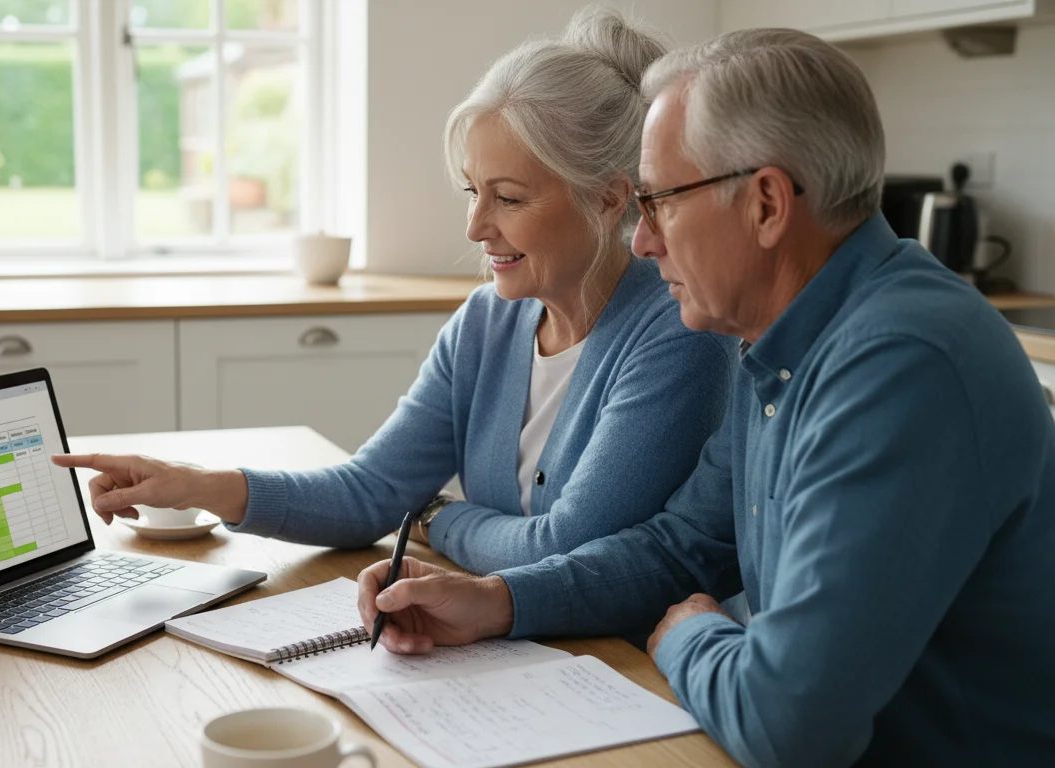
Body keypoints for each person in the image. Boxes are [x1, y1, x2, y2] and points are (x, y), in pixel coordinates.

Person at [356, 27, 1055, 766]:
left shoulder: (899, 366)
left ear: (765, 204)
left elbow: (789, 727)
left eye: (658, 202)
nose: (641, 241)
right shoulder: (783, 342)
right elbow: (680, 547)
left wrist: (691, 634)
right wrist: (497, 601)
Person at [52, 8, 734, 575]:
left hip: (622, 672)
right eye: (473, 191)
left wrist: (442, 517)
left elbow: (565, 549)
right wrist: (197, 484)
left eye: (508, 197)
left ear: (610, 198)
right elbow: (372, 492)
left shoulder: (675, 336)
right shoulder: (485, 324)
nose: (475, 225)